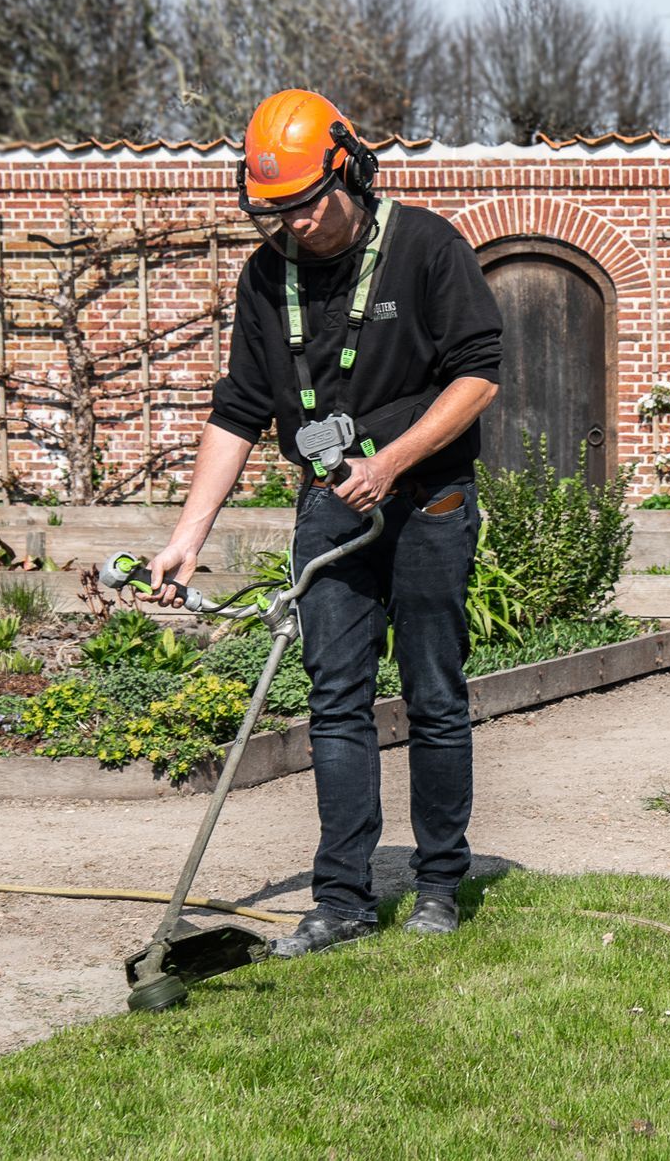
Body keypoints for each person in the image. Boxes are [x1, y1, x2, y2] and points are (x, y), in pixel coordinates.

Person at [144, 88, 502, 954]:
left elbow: (479, 373)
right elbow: (236, 410)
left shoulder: (424, 247)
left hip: (427, 501)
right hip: (328, 509)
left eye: (306, 203)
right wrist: (188, 537)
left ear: (350, 172)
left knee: (433, 694)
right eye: (276, 210)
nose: (294, 224)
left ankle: (438, 885)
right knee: (336, 702)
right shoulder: (268, 278)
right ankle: (341, 898)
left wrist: (390, 463)